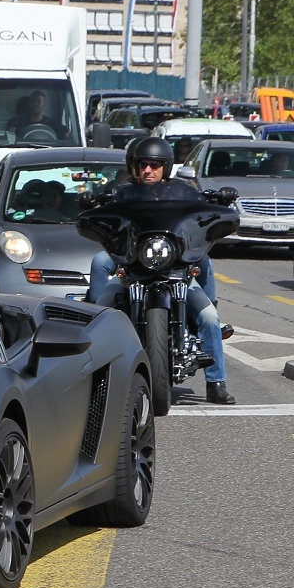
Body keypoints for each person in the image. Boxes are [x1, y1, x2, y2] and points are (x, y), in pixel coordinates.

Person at [85, 137, 233, 404]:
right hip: (132, 270)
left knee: (210, 317)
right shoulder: (122, 193)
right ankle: (95, 375)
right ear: (135, 166)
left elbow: (198, 207)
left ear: (166, 167)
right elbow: (104, 211)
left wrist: (220, 198)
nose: (148, 170)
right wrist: (92, 202)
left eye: (155, 165)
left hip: (175, 270)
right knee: (102, 310)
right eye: (143, 165)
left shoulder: (181, 191)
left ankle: (216, 382)